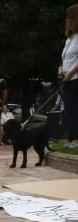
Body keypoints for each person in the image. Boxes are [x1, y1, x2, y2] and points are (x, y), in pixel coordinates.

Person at [59, 4, 78, 147]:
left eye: (71, 20)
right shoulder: (69, 40)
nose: (68, 23)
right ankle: (72, 138)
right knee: (69, 110)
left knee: (74, 109)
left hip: (75, 80)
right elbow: (66, 60)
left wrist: (70, 74)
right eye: (67, 21)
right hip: (67, 80)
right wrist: (61, 69)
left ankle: (76, 139)